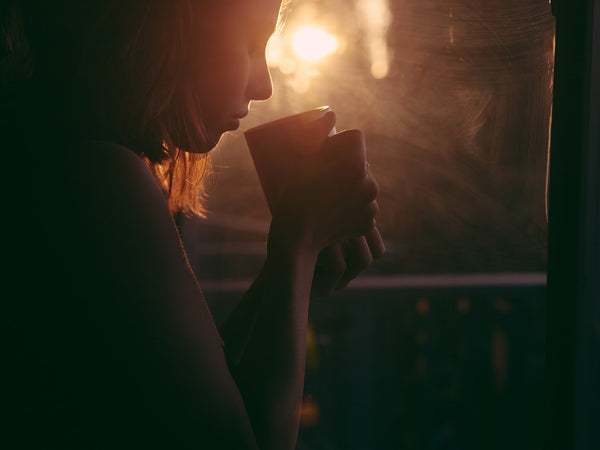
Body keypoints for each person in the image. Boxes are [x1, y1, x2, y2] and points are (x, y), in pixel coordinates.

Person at [1, 0, 381, 448]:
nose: (264, 87)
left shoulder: (58, 153)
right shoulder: (95, 176)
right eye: (251, 44)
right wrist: (298, 243)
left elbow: (203, 389)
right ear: (171, 31)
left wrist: (284, 280)